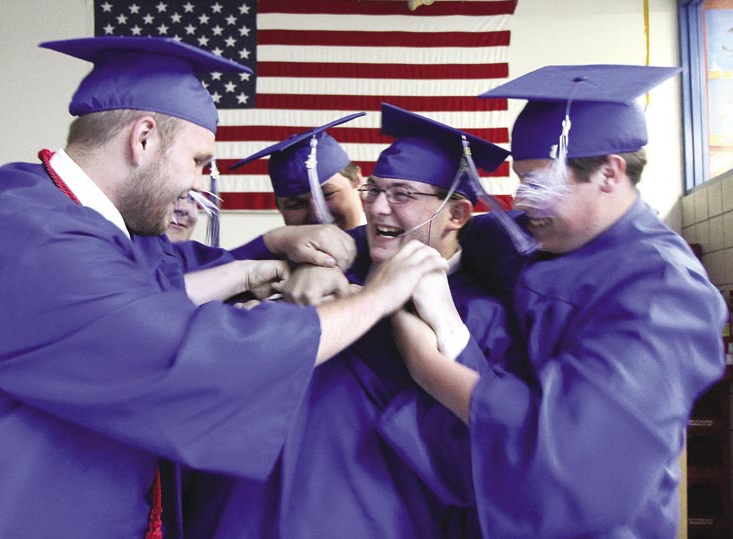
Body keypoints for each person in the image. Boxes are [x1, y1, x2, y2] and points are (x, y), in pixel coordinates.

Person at [0, 36, 450, 538]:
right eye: (200, 162)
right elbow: (182, 347)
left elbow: (159, 277)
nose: (202, 185)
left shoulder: (73, 215)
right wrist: (377, 295)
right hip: (2, 513)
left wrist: (266, 250)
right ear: (143, 138)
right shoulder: (27, 237)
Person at [389, 65, 729, 538]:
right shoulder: (533, 234)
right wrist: (304, 242)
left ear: (609, 173)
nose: (522, 202)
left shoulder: (665, 292)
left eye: (538, 182)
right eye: (519, 180)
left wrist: (423, 357)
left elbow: (570, 455)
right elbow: (429, 233)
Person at [183, 103, 519, 538]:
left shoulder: (482, 314)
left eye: (402, 194)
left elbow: (483, 445)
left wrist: (425, 323)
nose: (379, 208)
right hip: (246, 506)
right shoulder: (314, 273)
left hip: (373, 512)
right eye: (375, 191)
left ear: (456, 215)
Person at [231, 113, 366, 231]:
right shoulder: (269, 258)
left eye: (327, 195)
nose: (317, 216)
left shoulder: (385, 251)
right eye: (296, 204)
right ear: (280, 208)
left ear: (358, 181)